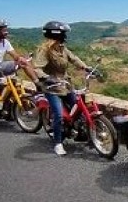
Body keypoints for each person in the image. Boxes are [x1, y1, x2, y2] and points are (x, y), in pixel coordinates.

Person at [30, 21, 92, 156]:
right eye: (63, 33)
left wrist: (86, 67)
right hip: (52, 87)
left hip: (66, 84)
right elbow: (37, 68)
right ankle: (58, 143)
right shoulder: (44, 50)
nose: (65, 36)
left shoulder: (62, 47)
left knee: (78, 108)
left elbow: (74, 59)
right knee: (58, 115)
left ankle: (80, 132)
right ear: (56, 34)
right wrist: (46, 77)